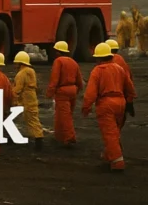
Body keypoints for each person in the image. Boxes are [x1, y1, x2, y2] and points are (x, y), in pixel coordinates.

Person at [82, 42, 136, 171]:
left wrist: (86, 106)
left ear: (99, 57)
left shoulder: (98, 70)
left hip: (106, 104)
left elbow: (91, 92)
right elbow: (130, 88)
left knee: (109, 133)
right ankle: (108, 156)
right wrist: (129, 101)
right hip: (120, 102)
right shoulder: (119, 68)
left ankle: (117, 162)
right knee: (115, 131)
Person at [46, 40, 83, 147]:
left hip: (62, 92)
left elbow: (54, 79)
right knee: (63, 115)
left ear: (58, 51)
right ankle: (59, 136)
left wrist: (50, 92)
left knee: (64, 116)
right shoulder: (73, 62)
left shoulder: (58, 61)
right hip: (73, 90)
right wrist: (78, 89)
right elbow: (79, 79)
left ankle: (69, 138)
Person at [11, 51, 44, 149]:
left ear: (20, 63)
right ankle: (38, 138)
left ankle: (38, 140)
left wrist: (12, 99)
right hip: (32, 98)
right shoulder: (31, 71)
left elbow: (18, 89)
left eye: (16, 63)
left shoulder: (21, 74)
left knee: (31, 120)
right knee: (34, 118)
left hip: (26, 99)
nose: (15, 65)